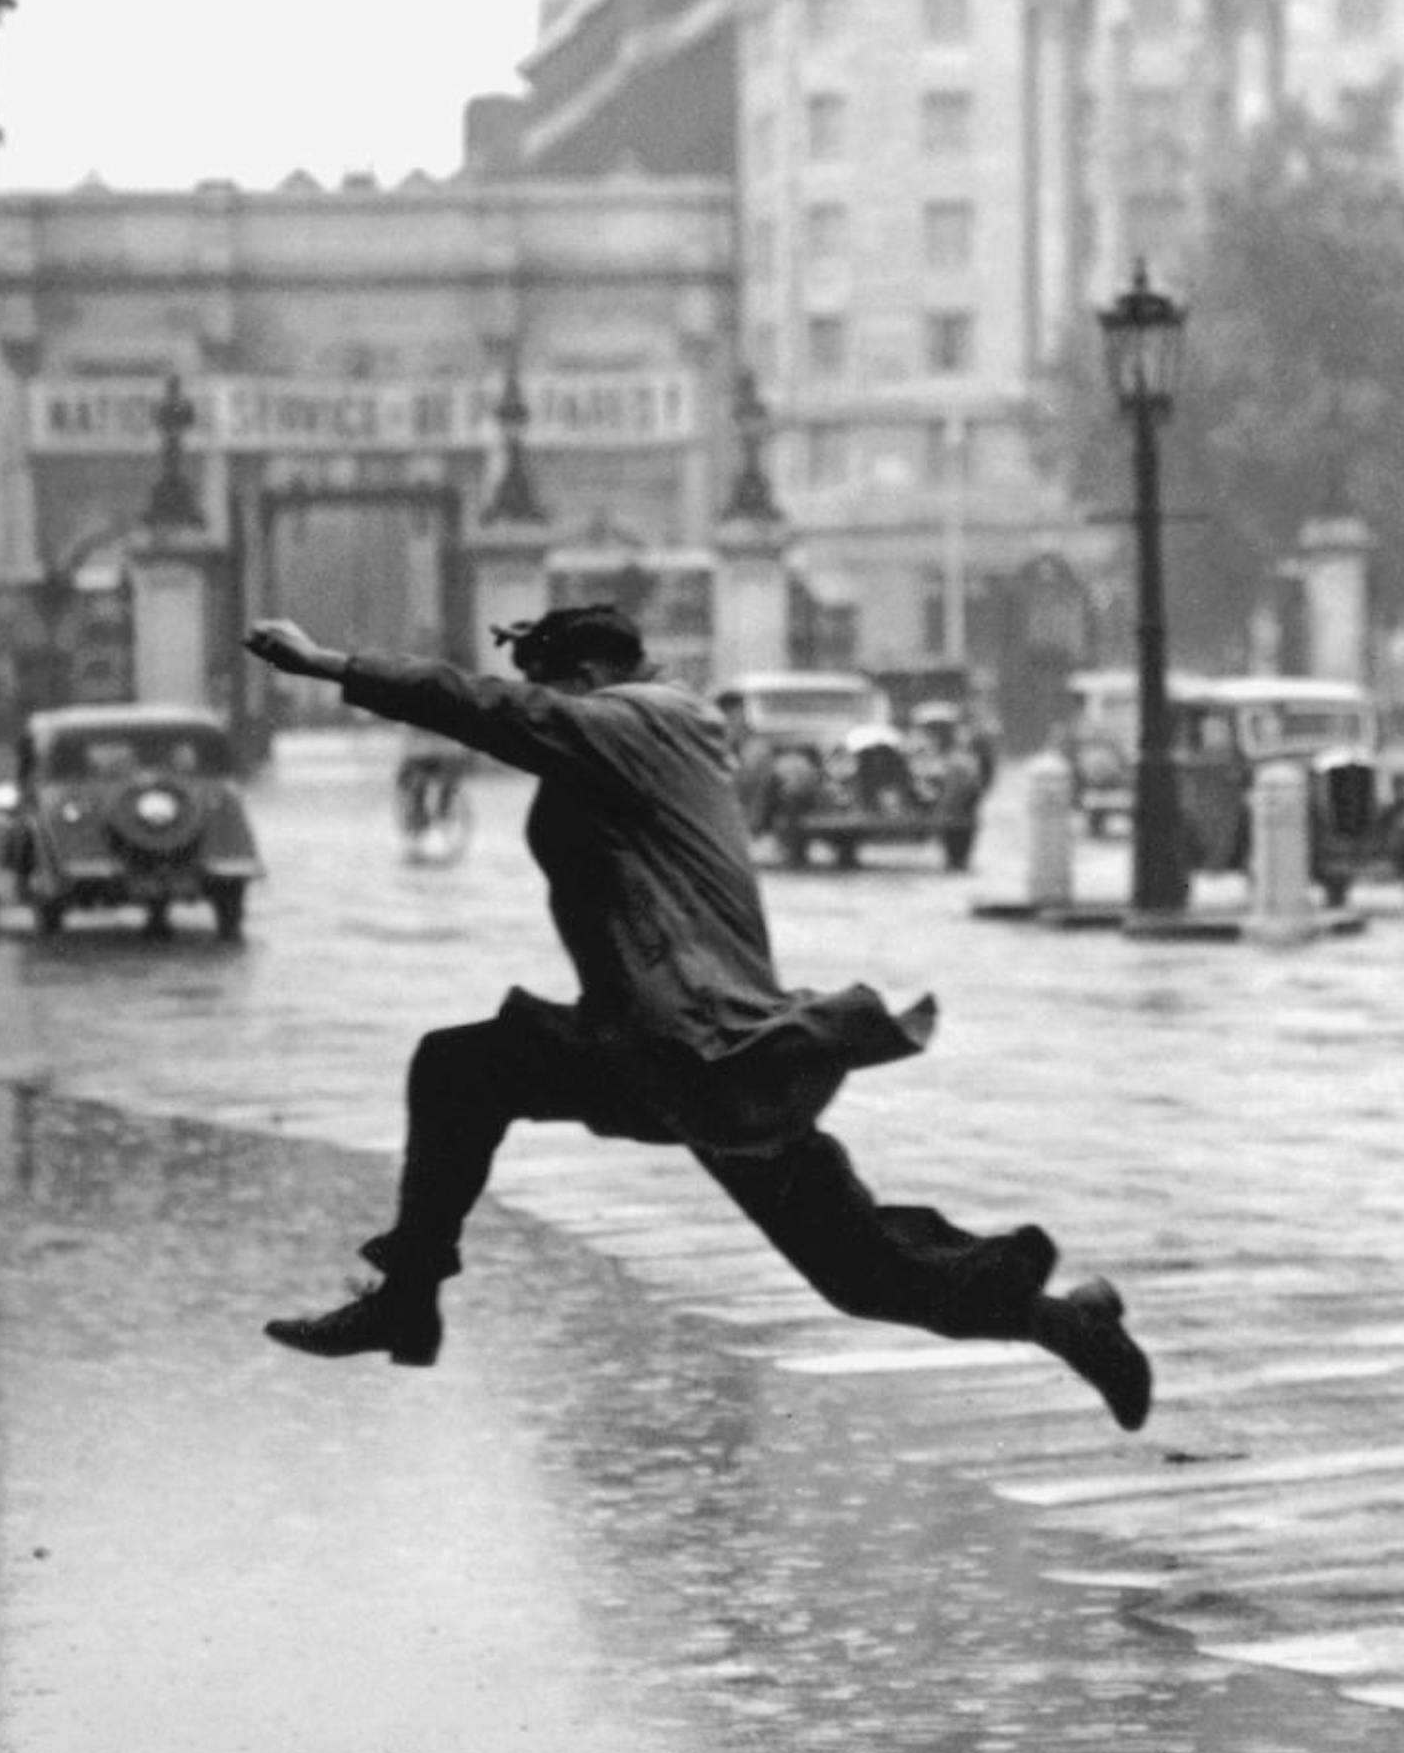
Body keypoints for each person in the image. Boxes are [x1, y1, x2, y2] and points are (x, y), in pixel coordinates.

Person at [243, 599, 1152, 1430]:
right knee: (862, 1271)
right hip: (680, 1048)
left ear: (590, 680)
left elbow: (487, 709)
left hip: (698, 1049)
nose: (549, 714)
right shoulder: (661, 728)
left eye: (553, 692)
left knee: (459, 1068)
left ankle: (406, 1298)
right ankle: (1071, 1323)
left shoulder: (637, 721)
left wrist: (331, 665)